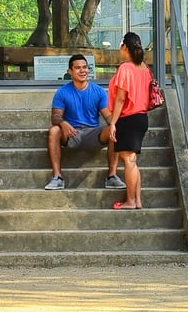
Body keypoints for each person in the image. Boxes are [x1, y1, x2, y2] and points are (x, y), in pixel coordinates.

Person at [44, 53, 109, 190]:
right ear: (70, 71)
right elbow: (55, 117)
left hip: (93, 133)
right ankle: (57, 177)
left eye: (85, 67)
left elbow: (108, 116)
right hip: (72, 134)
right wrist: (63, 123)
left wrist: (116, 123)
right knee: (54, 130)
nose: (82, 71)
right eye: (78, 68)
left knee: (116, 129)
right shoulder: (62, 92)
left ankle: (112, 177)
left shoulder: (99, 91)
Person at [105, 33, 154, 210]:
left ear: (125, 47)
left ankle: (131, 201)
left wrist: (113, 122)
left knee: (129, 160)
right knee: (132, 161)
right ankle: (137, 200)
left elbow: (120, 99)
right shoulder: (144, 68)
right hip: (141, 117)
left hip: (128, 117)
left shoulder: (125, 68)